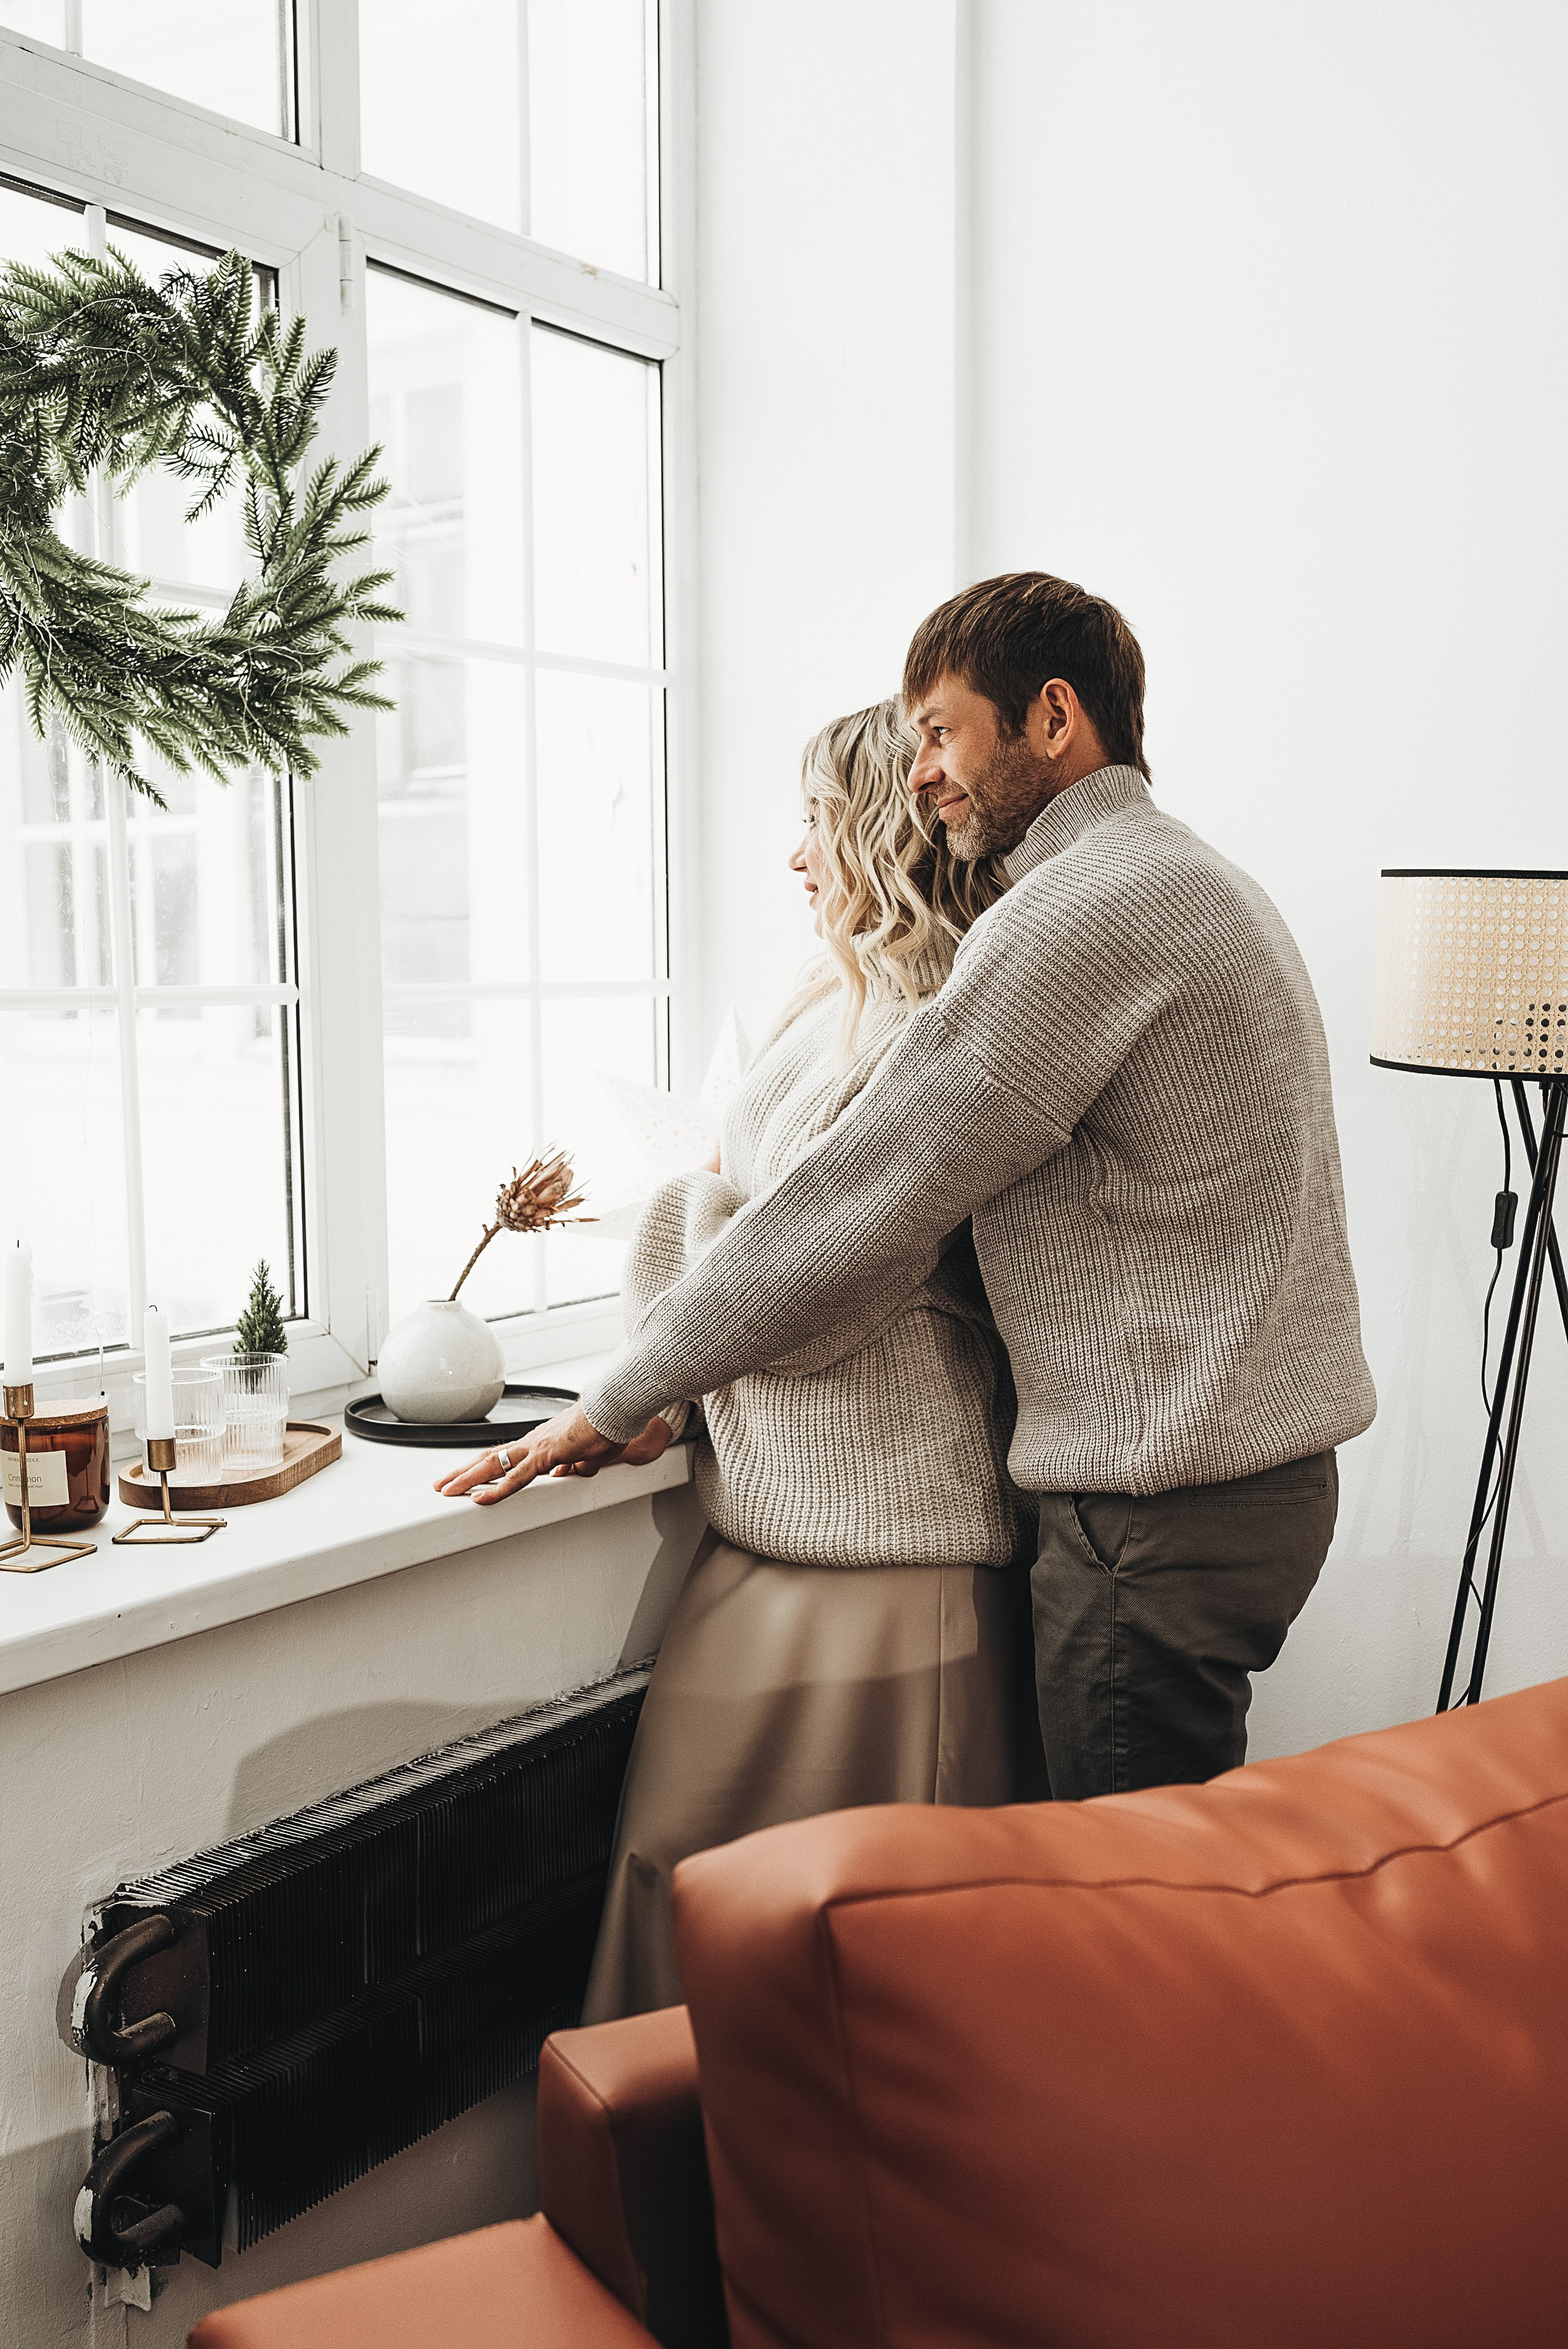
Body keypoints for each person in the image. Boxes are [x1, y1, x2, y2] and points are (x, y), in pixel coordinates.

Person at [456, 573, 1378, 1805]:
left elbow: (862, 1197)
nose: (922, 770)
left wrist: (617, 1394)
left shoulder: (1080, 913)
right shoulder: (1191, 878)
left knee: (1125, 1925)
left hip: (1156, 1513)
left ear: (1052, 718)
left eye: (939, 731)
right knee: (1171, 1897)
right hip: (1251, 1488)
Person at [440, 698, 1036, 2019]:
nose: (794, 856)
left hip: (896, 1572)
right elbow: (751, 1244)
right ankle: (671, 2218)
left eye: (816, 823)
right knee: (677, 1900)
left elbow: (806, 1279)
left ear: (884, 834)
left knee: (850, 1981)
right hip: (763, 1540)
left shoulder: (936, 1028)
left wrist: (679, 1234)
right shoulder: (827, 995)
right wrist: (686, 1386)